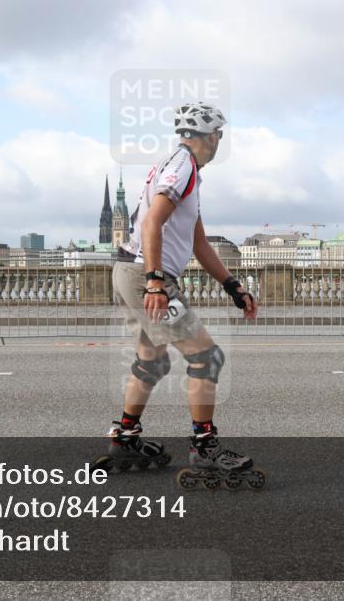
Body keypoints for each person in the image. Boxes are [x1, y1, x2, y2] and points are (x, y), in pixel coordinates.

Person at [97, 102, 264, 490]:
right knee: (206, 358)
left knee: (151, 361)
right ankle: (204, 446)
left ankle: (125, 437)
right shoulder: (182, 167)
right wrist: (156, 281)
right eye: (218, 133)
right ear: (208, 136)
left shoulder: (182, 168)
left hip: (130, 271)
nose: (220, 140)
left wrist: (232, 286)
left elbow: (198, 241)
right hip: (144, 275)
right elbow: (153, 220)